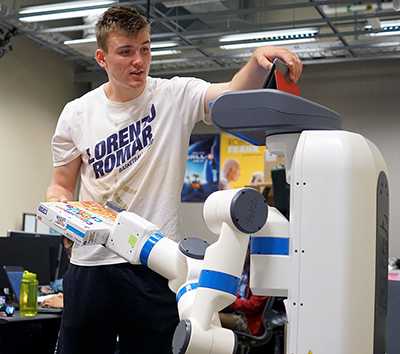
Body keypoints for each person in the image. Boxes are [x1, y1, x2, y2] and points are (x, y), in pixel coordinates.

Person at [45, 5, 302, 354]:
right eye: (126, 52)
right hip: (92, 263)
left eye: (145, 49)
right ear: (102, 58)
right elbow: (62, 183)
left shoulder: (174, 95)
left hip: (155, 261)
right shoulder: (76, 113)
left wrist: (257, 62)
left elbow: (230, 95)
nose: (139, 60)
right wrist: (59, 205)